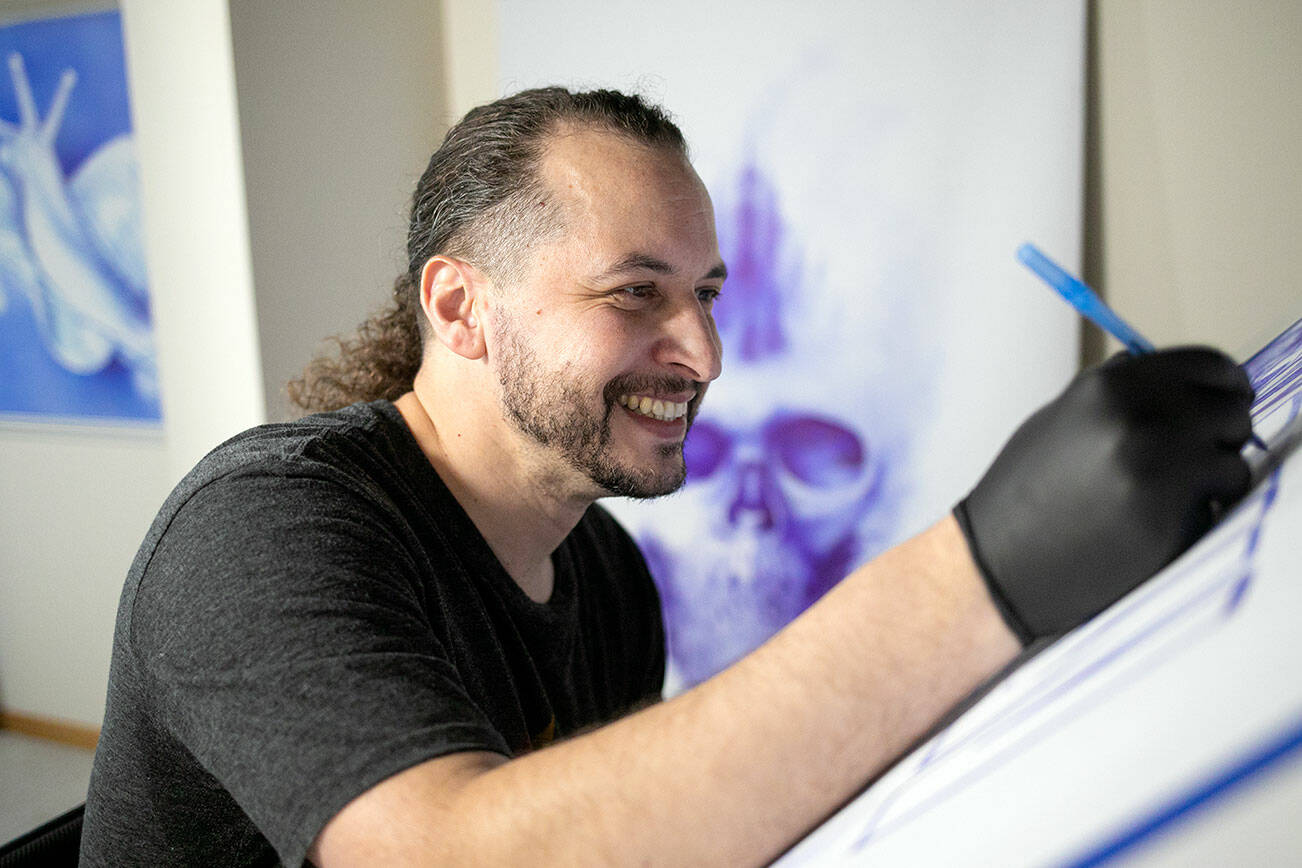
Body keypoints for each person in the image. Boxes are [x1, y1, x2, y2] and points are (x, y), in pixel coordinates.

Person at [80, 87, 1254, 866]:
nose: (702, 354)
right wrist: (984, 568)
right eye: (634, 292)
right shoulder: (260, 531)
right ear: (461, 308)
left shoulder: (606, 574)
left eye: (705, 293)